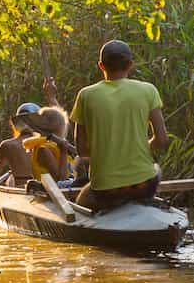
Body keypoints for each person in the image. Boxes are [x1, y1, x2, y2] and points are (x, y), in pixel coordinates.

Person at [68, 40, 168, 210]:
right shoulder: (148, 90)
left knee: (81, 203)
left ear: (101, 65)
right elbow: (162, 140)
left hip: (107, 189)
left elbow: (82, 150)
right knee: (155, 169)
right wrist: (141, 148)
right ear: (130, 64)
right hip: (143, 185)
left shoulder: (86, 95)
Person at [0, 81, 73, 184]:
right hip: (43, 187)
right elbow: (60, 123)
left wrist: (11, 160)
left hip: (25, 187)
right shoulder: (50, 143)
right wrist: (51, 98)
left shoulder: (8, 145)